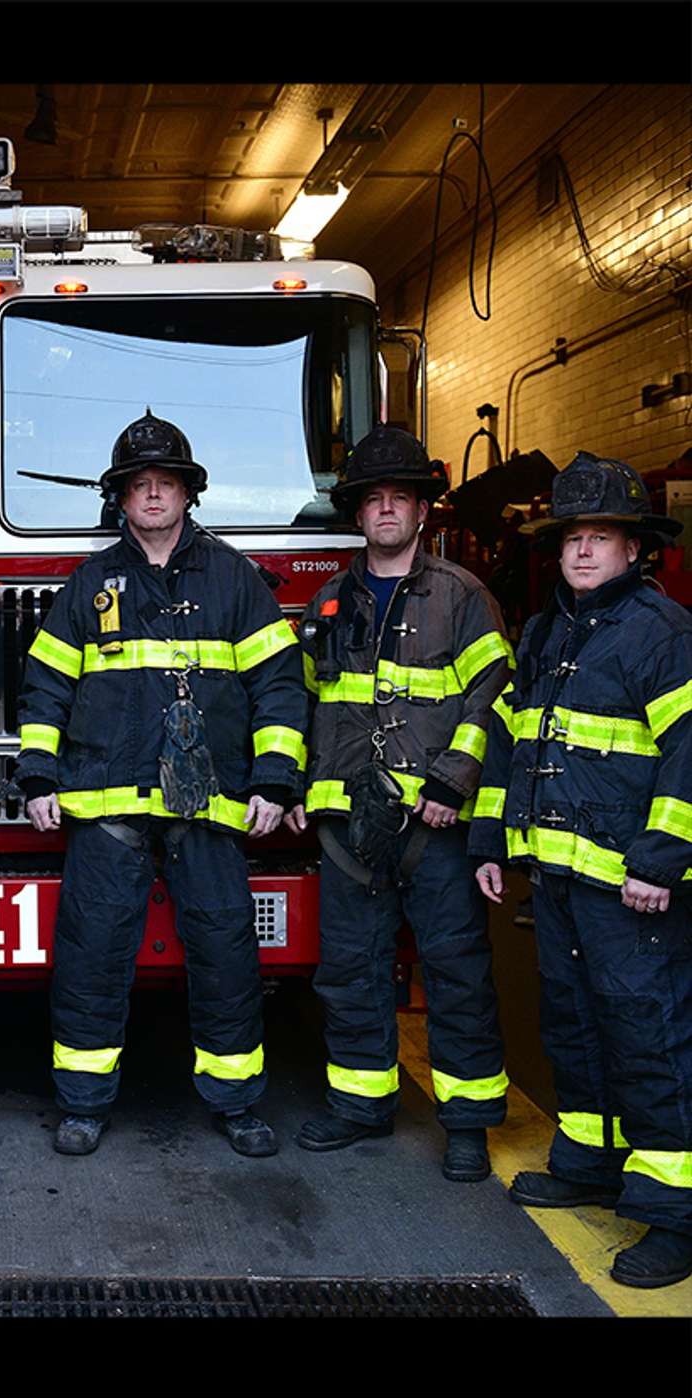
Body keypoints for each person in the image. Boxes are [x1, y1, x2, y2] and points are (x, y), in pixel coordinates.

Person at [16, 409, 307, 1158]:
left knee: (225, 948)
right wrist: (38, 775)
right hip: (106, 801)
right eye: (139, 485)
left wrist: (275, 781)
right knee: (90, 952)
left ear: (188, 495)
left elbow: (279, 685)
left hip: (209, 804)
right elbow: (46, 686)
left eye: (165, 484)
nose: (152, 496)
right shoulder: (90, 584)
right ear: (120, 498)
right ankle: (83, 1103)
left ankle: (237, 1102)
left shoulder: (237, 580)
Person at [471, 451, 692, 1289]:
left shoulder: (662, 635)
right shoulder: (546, 632)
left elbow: (689, 755)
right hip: (560, 878)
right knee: (574, 1026)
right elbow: (513, 744)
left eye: (604, 537)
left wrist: (662, 861)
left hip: (633, 887)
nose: (586, 552)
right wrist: (494, 840)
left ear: (636, 549)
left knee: (651, 1037)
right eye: (574, 538)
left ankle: (675, 1214)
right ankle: (590, 1163)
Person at [285, 424, 512, 1182]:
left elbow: (496, 698)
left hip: (434, 824)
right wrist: (300, 793)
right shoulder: (327, 603)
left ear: (422, 513)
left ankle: (468, 1123)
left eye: (400, 499)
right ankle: (360, 1106)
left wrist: (454, 782)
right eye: (373, 500)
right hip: (351, 824)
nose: (386, 511)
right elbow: (310, 704)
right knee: (350, 969)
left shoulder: (464, 597)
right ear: (357, 515)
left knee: (455, 972)